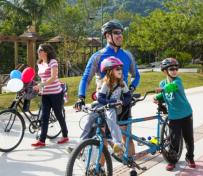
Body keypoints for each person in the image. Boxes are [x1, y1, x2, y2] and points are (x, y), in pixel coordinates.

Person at [74, 20, 140, 175]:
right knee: (102, 137)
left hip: (122, 102)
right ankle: (101, 168)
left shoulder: (127, 55)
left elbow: (136, 76)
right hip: (104, 102)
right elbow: (86, 78)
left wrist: (130, 89)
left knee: (126, 135)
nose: (120, 35)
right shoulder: (98, 56)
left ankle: (131, 166)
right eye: (116, 32)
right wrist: (80, 97)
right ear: (107, 35)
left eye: (121, 32)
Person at [154, 58, 196, 171]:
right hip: (173, 116)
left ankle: (190, 157)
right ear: (165, 71)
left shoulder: (178, 81)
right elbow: (164, 95)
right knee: (174, 140)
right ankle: (172, 161)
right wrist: (157, 98)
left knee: (189, 138)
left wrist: (162, 89)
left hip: (186, 114)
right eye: (171, 69)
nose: (174, 71)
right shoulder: (162, 83)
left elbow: (171, 88)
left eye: (176, 68)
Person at [32, 43, 69, 147]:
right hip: (45, 94)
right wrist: (38, 86)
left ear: (46, 52)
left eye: (40, 50)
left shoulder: (53, 62)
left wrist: (41, 85)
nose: (38, 52)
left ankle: (65, 135)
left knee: (58, 114)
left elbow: (53, 77)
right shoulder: (39, 63)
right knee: (44, 116)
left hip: (56, 93)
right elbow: (42, 78)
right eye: (38, 51)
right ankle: (42, 140)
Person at [97, 57, 132, 154]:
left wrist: (123, 102)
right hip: (108, 106)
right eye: (117, 69)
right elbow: (100, 98)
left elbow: (128, 96)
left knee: (111, 115)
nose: (120, 71)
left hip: (117, 108)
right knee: (91, 120)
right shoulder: (106, 84)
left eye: (121, 68)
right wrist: (110, 102)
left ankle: (118, 143)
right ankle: (81, 146)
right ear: (110, 72)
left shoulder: (122, 83)